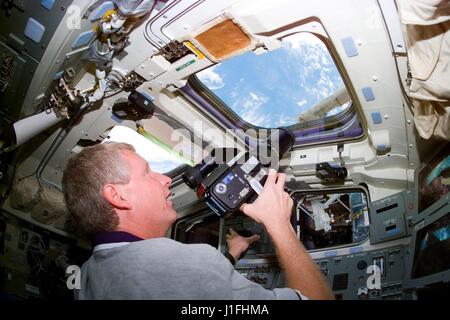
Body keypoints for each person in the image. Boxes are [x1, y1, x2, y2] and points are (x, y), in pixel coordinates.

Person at [62, 142, 333, 300]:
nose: (166, 178)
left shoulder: (87, 275)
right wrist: (279, 224)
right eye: (148, 172)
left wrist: (230, 256)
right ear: (116, 195)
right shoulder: (185, 265)